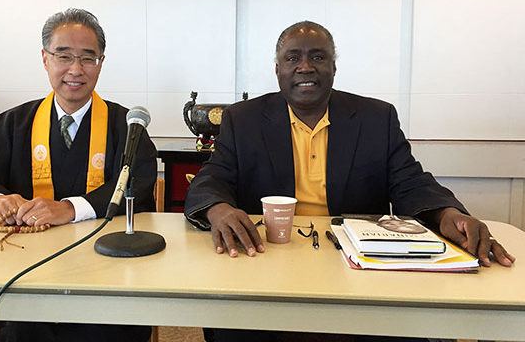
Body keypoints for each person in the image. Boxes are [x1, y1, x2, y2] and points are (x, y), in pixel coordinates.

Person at [184, 21, 515, 342]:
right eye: (292, 57)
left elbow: (410, 182)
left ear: (333, 67)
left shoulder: (375, 118)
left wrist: (447, 214)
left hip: (356, 269)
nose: (305, 67)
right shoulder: (244, 119)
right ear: (277, 70)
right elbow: (214, 176)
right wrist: (218, 208)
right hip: (269, 260)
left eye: (318, 56)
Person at [0, 8, 156, 342]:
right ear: (45, 59)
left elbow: (137, 184)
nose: (75, 69)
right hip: (23, 274)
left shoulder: (126, 127)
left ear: (101, 62)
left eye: (88, 58)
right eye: (63, 56)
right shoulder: (15, 124)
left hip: (108, 273)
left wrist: (70, 208)